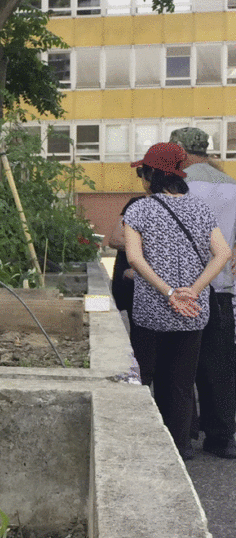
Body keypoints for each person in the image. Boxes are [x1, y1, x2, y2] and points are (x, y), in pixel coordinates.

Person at [123, 142, 232, 461]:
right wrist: (193, 290)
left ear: (153, 174)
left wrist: (169, 292)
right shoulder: (200, 208)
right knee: (182, 383)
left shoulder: (138, 209)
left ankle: (148, 442)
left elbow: (134, 258)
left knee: (145, 377)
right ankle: (179, 447)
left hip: (151, 311)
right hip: (193, 311)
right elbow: (223, 253)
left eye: (143, 170)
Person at [170, 127, 236, 459]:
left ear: (179, 149)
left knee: (181, 364)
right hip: (222, 289)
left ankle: (184, 436)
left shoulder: (179, 186)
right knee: (221, 367)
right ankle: (222, 437)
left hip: (185, 288)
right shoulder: (231, 186)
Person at [108, 195, 149, 382]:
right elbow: (115, 239)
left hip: (149, 281)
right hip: (130, 280)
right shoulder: (136, 203)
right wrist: (140, 246)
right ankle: (139, 375)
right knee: (137, 331)